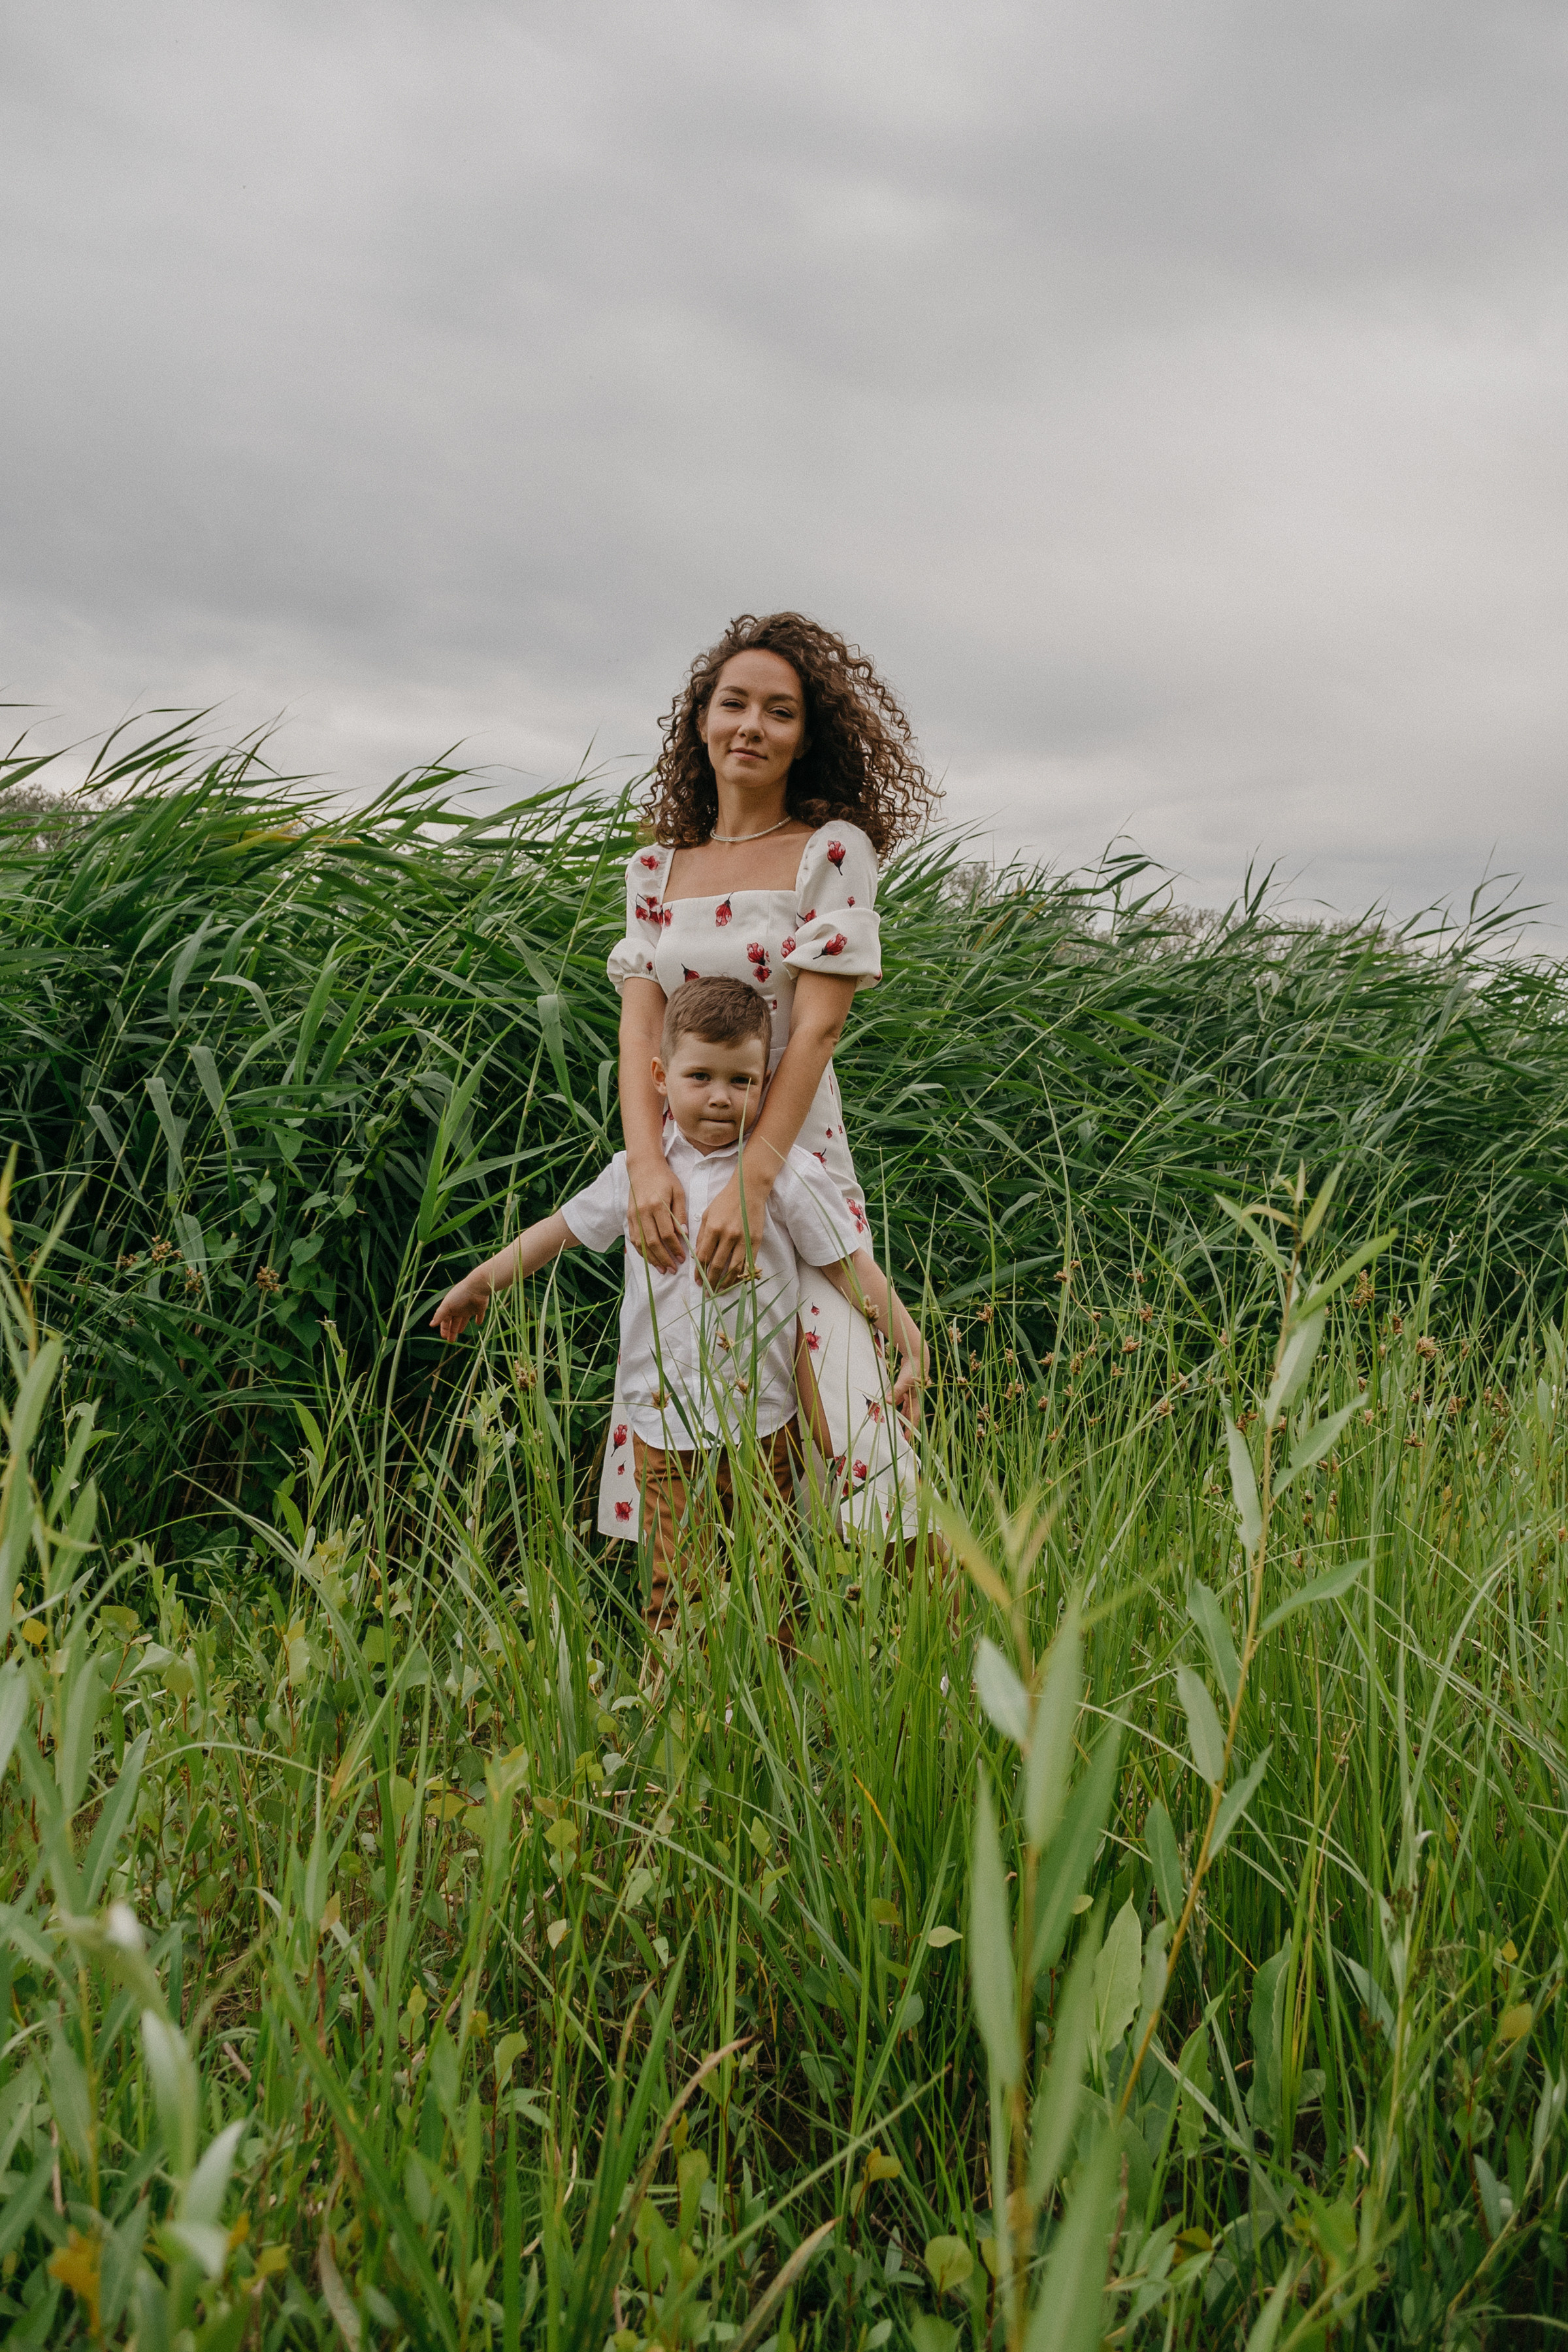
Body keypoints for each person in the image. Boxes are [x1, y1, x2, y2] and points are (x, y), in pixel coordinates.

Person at [431, 977, 926, 1634]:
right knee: (675, 1587)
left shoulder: (785, 1176)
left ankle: (768, 1687)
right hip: (662, 1427)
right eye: (701, 1077)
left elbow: (848, 1265)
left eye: (742, 1081)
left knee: (767, 1581)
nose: (721, 1097)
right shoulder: (639, 1177)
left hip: (760, 1424)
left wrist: (911, 1344)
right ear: (661, 1078)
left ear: (766, 1083)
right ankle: (676, 1691)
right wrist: (480, 1283)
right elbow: (557, 1232)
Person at [601, 610, 939, 1543]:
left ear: (804, 737)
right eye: (734, 703)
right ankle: (732, 1617)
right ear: (701, 721)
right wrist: (646, 1167)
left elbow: (818, 1028)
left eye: (780, 712)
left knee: (850, 1425)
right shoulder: (653, 869)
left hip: (794, 1161)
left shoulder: (830, 850)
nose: (752, 725)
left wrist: (755, 1183)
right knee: (703, 1402)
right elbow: (640, 1029)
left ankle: (905, 1622)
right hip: (682, 1167)